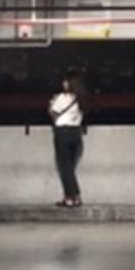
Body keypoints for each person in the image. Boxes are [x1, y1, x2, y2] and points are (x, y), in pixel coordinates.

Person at [49, 73, 86, 207]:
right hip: (76, 133)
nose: (63, 84)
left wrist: (51, 104)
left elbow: (53, 114)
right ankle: (71, 196)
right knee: (70, 166)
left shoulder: (61, 98)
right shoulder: (81, 99)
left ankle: (72, 197)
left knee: (65, 167)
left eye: (65, 82)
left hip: (62, 132)